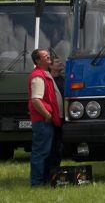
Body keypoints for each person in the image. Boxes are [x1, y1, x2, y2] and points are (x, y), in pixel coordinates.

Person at [28, 49, 61, 186]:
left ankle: (46, 180)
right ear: (37, 60)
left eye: (48, 55)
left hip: (47, 120)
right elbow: (36, 100)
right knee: (40, 153)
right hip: (43, 121)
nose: (48, 57)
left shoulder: (44, 73)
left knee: (46, 152)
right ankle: (36, 183)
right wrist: (47, 114)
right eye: (45, 56)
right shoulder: (38, 76)